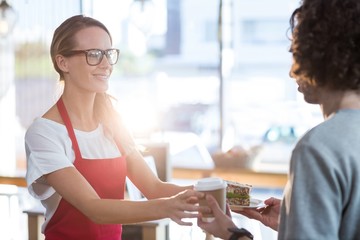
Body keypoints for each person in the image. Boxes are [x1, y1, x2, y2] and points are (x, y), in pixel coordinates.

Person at [25, 14, 207, 240]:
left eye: (108, 54)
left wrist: (215, 194)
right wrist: (167, 207)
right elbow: (94, 208)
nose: (106, 64)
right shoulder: (45, 132)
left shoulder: (113, 122)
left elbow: (154, 187)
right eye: (94, 54)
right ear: (63, 62)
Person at [198, 0, 360, 239]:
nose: (291, 70)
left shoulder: (318, 149)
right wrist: (292, 223)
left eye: (295, 52)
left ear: (317, 55)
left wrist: (234, 234)